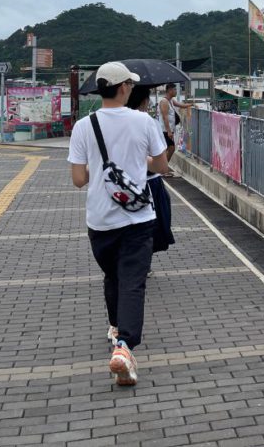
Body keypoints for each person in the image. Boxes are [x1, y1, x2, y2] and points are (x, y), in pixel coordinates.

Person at [68, 61, 168, 386]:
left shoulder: (84, 126)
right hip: (138, 218)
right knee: (133, 282)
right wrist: (139, 161)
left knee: (113, 275)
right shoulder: (144, 122)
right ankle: (124, 346)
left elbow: (79, 179)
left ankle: (116, 331)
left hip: (100, 221)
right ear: (124, 87)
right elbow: (162, 166)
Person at [126, 86, 175, 267]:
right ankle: (143, 263)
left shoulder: (114, 121)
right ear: (145, 101)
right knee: (153, 224)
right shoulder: (148, 122)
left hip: (123, 182)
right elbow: (161, 162)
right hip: (150, 183)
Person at [158, 83, 192, 176]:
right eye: (174, 89)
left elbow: (181, 105)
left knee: (169, 149)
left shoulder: (171, 100)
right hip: (165, 130)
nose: (176, 91)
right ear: (169, 90)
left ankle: (162, 169)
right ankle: (162, 170)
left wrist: (191, 104)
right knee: (171, 148)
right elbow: (165, 117)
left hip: (169, 130)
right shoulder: (164, 102)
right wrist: (169, 131)